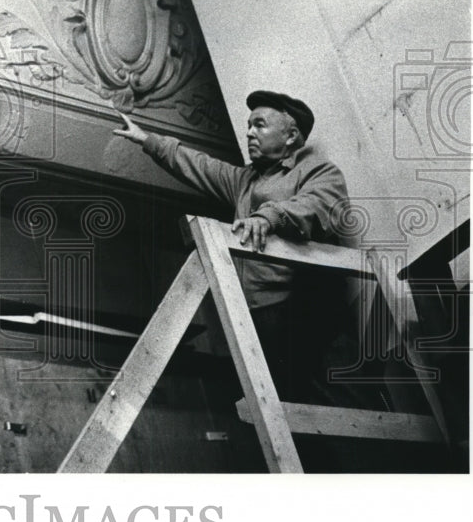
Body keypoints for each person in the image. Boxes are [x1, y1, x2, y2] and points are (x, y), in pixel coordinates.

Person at [114, 90, 350, 405]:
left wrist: (268, 217)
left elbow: (321, 204)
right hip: (254, 314)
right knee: (280, 409)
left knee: (321, 402)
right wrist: (148, 140)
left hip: (299, 309)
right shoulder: (245, 180)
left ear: (291, 136)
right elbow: (200, 165)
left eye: (260, 125)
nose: (249, 132)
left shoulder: (318, 170)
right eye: (249, 125)